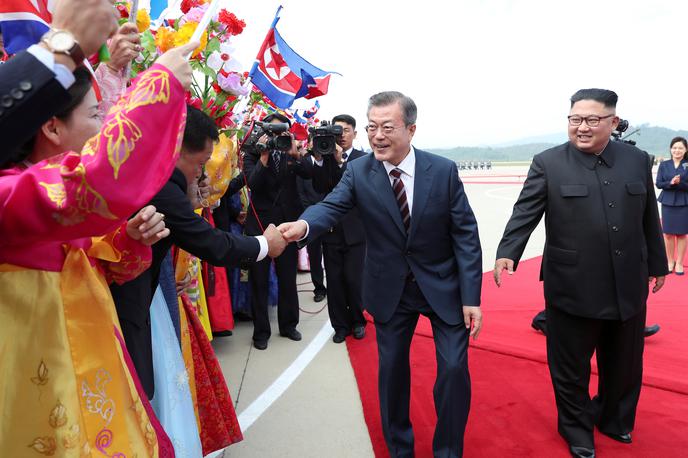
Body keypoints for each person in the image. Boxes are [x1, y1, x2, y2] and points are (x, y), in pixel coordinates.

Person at [0, 42, 198, 456]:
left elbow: (108, 268)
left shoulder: (48, 199)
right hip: (44, 400)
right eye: (95, 114)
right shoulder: (11, 194)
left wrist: (131, 239)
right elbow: (99, 177)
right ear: (52, 128)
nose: (103, 123)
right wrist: (159, 83)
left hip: (93, 381)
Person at [279, 91, 483, 457]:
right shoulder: (359, 172)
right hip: (390, 287)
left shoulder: (443, 171)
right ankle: (400, 449)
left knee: (453, 370)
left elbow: (465, 235)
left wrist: (472, 298)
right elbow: (331, 206)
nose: (377, 136)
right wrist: (304, 225)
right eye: (371, 127)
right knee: (391, 373)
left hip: (442, 285)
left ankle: (449, 450)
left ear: (411, 129)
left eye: (387, 127)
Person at [494, 88, 667, 458]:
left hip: (627, 283)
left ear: (613, 122)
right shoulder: (549, 162)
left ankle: (614, 419)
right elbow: (525, 211)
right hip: (572, 285)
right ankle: (576, 430)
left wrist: (657, 263)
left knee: (624, 364)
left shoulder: (637, 160)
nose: (582, 127)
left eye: (592, 120)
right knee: (570, 369)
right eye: (575, 119)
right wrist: (508, 251)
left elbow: (648, 215)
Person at [111, 106, 287, 398]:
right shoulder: (161, 187)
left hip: (146, 284)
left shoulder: (149, 173)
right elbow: (212, 243)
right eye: (202, 161)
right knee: (136, 387)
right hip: (128, 300)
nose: (201, 172)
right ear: (177, 147)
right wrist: (265, 244)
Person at [0, 0, 118, 162]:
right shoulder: (18, 186)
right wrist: (64, 43)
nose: (105, 126)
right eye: (95, 115)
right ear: (52, 128)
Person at [243, 112, 311, 350]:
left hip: (287, 225)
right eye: (271, 131)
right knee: (259, 281)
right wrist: (263, 155)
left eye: (281, 132)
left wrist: (296, 154)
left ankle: (289, 325)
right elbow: (252, 183)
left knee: (287, 278)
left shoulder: (291, 153)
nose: (276, 136)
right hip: (260, 226)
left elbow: (309, 174)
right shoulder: (252, 153)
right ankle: (261, 332)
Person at [310, 114, 368, 343]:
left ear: (354, 133)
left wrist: (340, 160)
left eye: (345, 130)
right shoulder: (325, 158)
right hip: (331, 231)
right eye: (337, 130)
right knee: (333, 282)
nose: (341, 135)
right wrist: (326, 158)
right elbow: (319, 186)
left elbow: (358, 190)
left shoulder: (364, 159)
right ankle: (340, 326)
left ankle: (358, 321)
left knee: (354, 280)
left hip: (356, 232)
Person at [296, 136, 328, 303]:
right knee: (314, 255)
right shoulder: (303, 163)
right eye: (313, 141)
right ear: (308, 144)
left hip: (331, 216)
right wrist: (312, 216)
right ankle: (319, 288)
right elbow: (301, 193)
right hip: (312, 218)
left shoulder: (331, 161)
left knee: (331, 254)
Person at [656, 136, 688, 275]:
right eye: (674, 147)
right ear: (671, 149)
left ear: (686, 149)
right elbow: (659, 183)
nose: (677, 150)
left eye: (680, 148)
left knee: (682, 234)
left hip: (684, 201)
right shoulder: (664, 165)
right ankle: (670, 261)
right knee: (668, 234)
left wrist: (679, 183)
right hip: (668, 201)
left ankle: (680, 262)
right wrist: (671, 183)